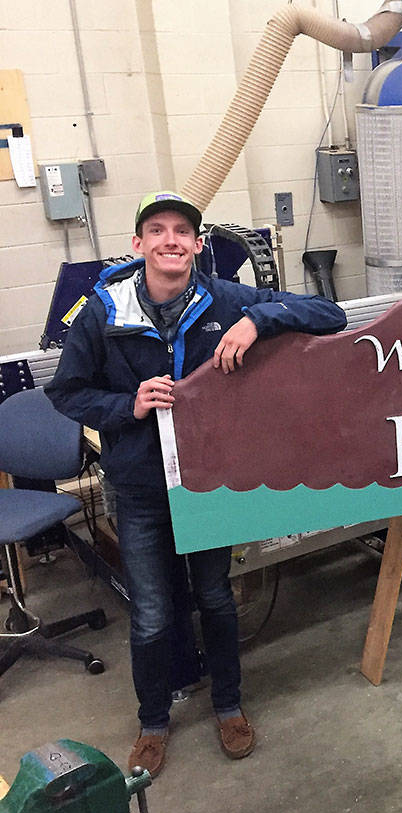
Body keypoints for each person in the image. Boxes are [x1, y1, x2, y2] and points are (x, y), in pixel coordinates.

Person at [46, 191, 347, 777]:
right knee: (154, 612)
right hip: (139, 486)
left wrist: (257, 320)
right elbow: (65, 392)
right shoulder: (103, 312)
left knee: (215, 598)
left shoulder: (222, 298)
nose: (170, 241)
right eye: (156, 231)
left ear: (198, 245)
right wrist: (126, 404)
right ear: (138, 246)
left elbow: (329, 316)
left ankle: (228, 706)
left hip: (207, 481)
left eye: (182, 232)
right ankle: (153, 723)